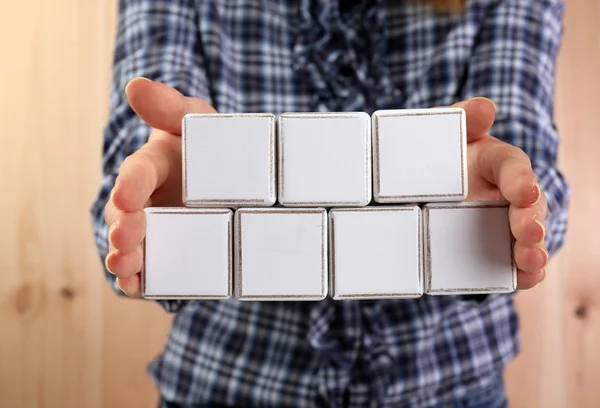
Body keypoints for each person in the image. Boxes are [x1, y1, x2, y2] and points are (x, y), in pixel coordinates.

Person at [91, 0, 570, 406]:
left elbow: (526, 160)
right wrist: (150, 208)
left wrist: (509, 205)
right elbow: (131, 175)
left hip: (452, 383)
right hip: (229, 379)